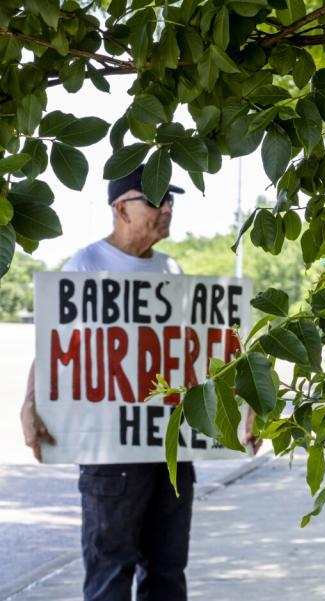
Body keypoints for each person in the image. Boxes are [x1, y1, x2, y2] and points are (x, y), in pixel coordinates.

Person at [19, 165, 253, 601]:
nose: (166, 208)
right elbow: (55, 343)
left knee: (167, 573)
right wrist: (30, 403)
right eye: (155, 200)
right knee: (111, 575)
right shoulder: (86, 265)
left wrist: (243, 406)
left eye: (170, 200)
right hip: (110, 454)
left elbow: (202, 354)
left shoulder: (171, 269)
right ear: (120, 209)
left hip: (171, 451)